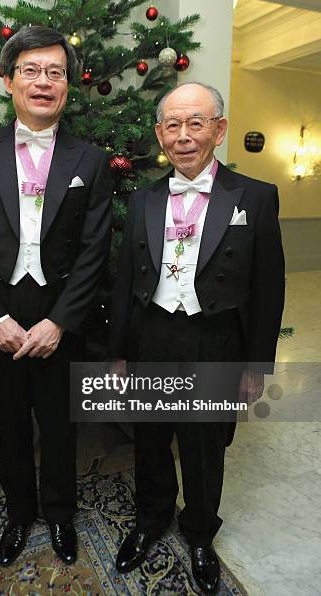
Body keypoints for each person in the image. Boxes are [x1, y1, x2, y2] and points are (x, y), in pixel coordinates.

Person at [109, 82, 284, 593]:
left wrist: (257, 365)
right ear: (160, 133)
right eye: (172, 125)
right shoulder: (142, 198)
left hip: (215, 341)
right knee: (150, 440)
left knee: (205, 447)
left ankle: (201, 533)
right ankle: (150, 519)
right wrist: (119, 352)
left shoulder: (254, 196)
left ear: (219, 129)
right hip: (151, 337)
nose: (183, 136)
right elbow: (125, 283)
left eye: (196, 123)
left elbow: (269, 286)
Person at [0, 26, 112, 567]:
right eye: (32, 70)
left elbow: (94, 250)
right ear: (9, 79)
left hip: (58, 311)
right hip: (0, 308)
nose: (44, 82)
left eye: (56, 72)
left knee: (62, 420)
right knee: (9, 419)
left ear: (68, 85)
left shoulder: (90, 159)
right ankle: (20, 512)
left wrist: (61, 321)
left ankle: (60, 513)